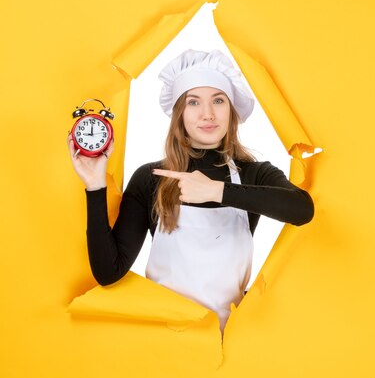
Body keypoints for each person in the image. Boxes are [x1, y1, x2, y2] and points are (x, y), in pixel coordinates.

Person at [68, 49, 315, 332]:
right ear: (179, 114)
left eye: (218, 101)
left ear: (231, 111)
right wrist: (95, 186)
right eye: (194, 102)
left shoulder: (253, 173)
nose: (207, 114)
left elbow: (301, 210)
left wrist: (217, 191)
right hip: (164, 342)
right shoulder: (151, 179)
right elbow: (108, 272)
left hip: (228, 344)